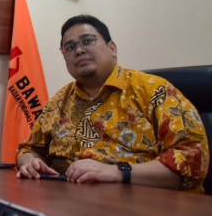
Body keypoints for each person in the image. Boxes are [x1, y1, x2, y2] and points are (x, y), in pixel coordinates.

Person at [16, 15, 209, 192]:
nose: (79, 50)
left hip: (142, 203)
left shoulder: (154, 90)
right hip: (68, 201)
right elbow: (28, 149)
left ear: (112, 48)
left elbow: (193, 158)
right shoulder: (59, 101)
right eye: (70, 47)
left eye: (87, 41)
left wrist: (118, 172)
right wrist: (29, 161)